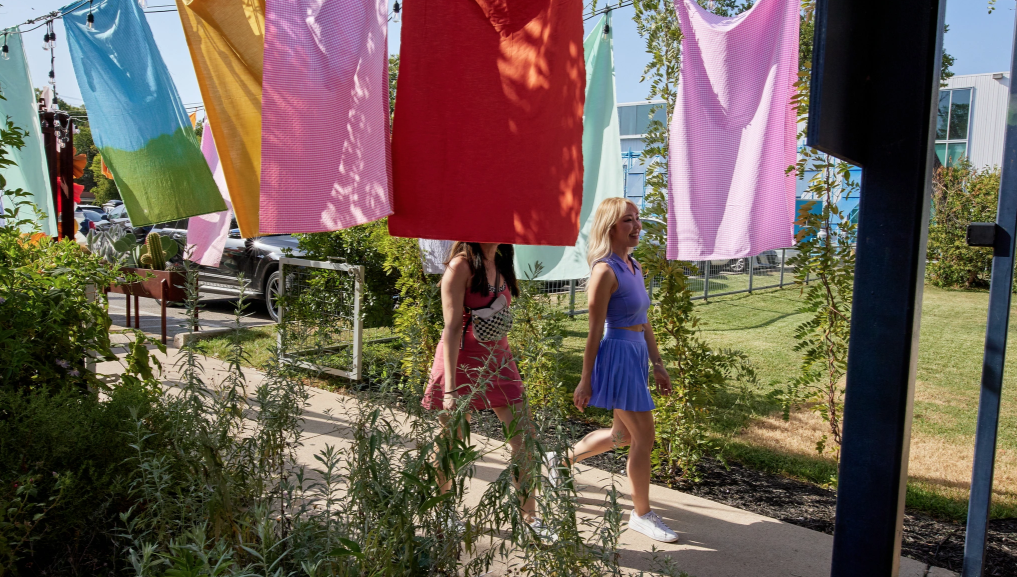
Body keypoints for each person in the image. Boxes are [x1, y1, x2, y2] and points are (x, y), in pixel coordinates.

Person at [546, 197, 678, 543]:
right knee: (644, 438)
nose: (636, 226)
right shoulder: (604, 270)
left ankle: (558, 461)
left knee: (622, 437)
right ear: (610, 228)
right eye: (627, 221)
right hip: (617, 356)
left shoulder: (633, 266)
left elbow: (643, 321)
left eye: (637, 219)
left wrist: (658, 364)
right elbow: (593, 331)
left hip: (635, 355)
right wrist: (585, 379)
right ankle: (642, 514)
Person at [421, 241, 551, 539]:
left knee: (526, 439)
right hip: (461, 363)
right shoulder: (461, 266)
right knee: (451, 444)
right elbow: (451, 328)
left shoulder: (502, 262)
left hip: (499, 361)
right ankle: (442, 511)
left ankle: (529, 518)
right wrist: (451, 389)